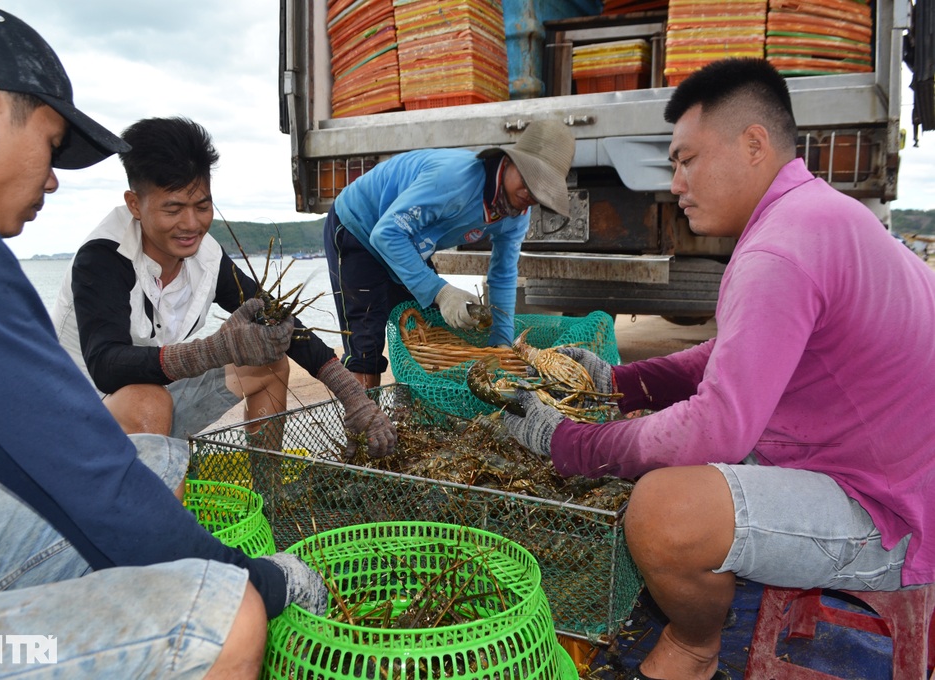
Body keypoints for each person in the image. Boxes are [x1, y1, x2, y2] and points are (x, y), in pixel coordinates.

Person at [0, 3, 328, 677]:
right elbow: (85, 468)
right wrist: (253, 580)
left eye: (202, 205)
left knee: (153, 469)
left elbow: (60, 469)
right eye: (50, 144)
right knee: (227, 618)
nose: (52, 178)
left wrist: (341, 382)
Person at [502, 58, 935, 680]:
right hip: (886, 463)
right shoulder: (814, 216)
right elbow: (733, 355)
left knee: (663, 510)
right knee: (658, 438)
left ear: (754, 144)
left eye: (686, 160)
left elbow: (717, 428)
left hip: (892, 512)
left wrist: (572, 442)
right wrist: (619, 383)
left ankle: (695, 646)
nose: (675, 183)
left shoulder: (780, 250)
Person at [51, 116, 395, 457]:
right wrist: (218, 348)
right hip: (78, 421)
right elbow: (106, 365)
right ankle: (155, 511)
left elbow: (284, 325)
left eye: (202, 206)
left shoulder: (207, 257)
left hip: (152, 408)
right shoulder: (102, 258)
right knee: (148, 400)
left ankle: (267, 496)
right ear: (134, 204)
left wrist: (354, 398)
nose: (191, 224)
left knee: (270, 361)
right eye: (173, 209)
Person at [324, 119, 575, 388]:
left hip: (405, 240)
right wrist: (442, 293)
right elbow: (386, 234)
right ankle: (366, 428)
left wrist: (501, 342)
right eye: (527, 180)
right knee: (366, 348)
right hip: (358, 228)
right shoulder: (455, 179)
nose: (529, 194)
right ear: (509, 162)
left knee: (427, 331)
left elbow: (503, 275)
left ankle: (406, 415)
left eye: (540, 190)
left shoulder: (516, 215)